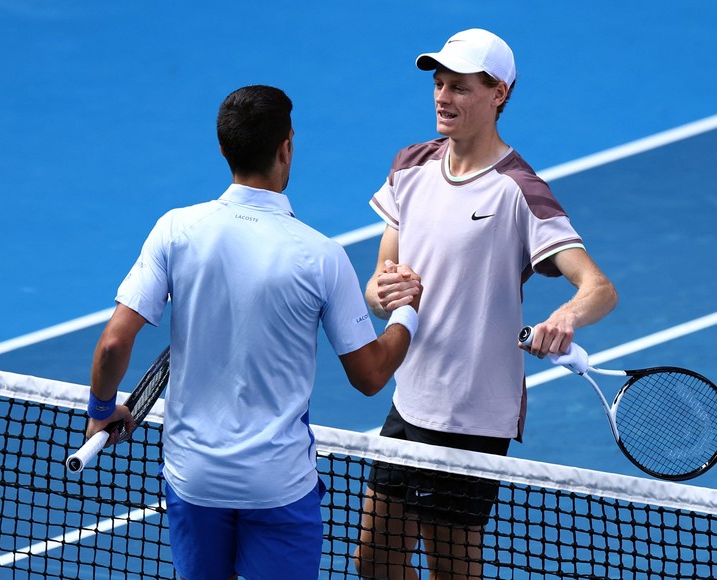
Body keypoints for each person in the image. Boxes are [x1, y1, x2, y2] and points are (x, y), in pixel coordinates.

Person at [84, 85, 422, 580]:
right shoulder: (321, 256)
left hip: (194, 479)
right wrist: (407, 313)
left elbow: (115, 341)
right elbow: (370, 375)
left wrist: (100, 409)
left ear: (224, 149)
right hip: (278, 486)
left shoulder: (175, 230)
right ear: (287, 146)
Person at [354, 29, 618, 579]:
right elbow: (380, 283)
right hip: (411, 399)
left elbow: (597, 287)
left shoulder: (518, 190)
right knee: (375, 562)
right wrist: (380, 293)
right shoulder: (410, 166)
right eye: (439, 83)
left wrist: (565, 317)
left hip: (472, 415)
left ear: (498, 93)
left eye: (461, 87)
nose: (443, 97)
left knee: (453, 570)